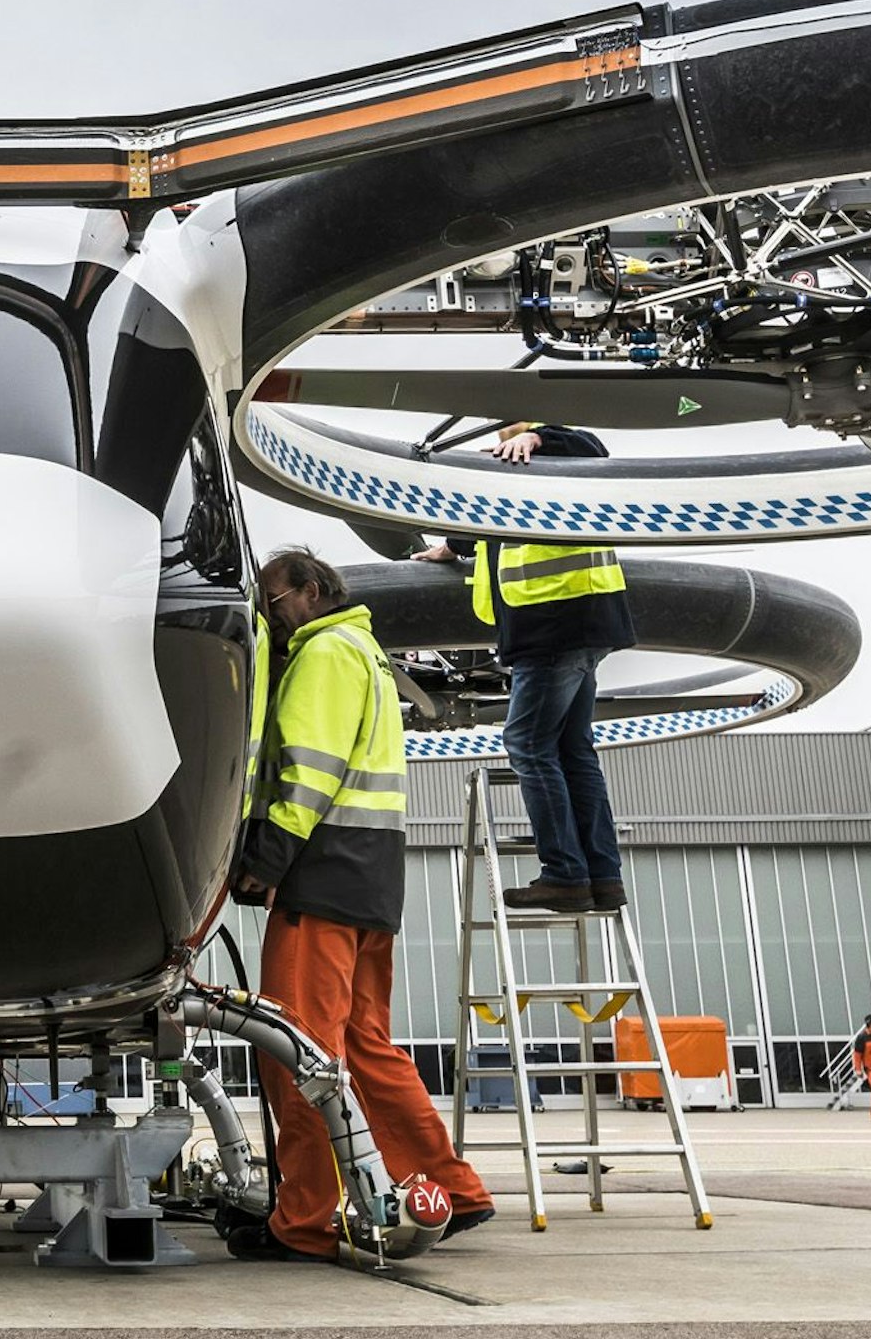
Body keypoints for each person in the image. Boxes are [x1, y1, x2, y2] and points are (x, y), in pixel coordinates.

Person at [233, 549, 496, 1261]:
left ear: (313, 592)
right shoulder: (367, 652)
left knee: (300, 1056)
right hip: (369, 883)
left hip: (320, 879)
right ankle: (450, 1187)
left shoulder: (322, 654)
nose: (268, 613)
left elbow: (310, 772)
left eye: (274, 597)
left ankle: (307, 1222)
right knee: (362, 1048)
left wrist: (266, 861)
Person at [441, 422, 636, 915]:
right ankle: (602, 876)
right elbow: (485, 525)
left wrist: (541, 439)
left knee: (528, 745)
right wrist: (450, 547)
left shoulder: (558, 455)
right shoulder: (519, 481)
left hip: (552, 627)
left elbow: (594, 448)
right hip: (577, 628)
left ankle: (566, 875)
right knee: (573, 750)